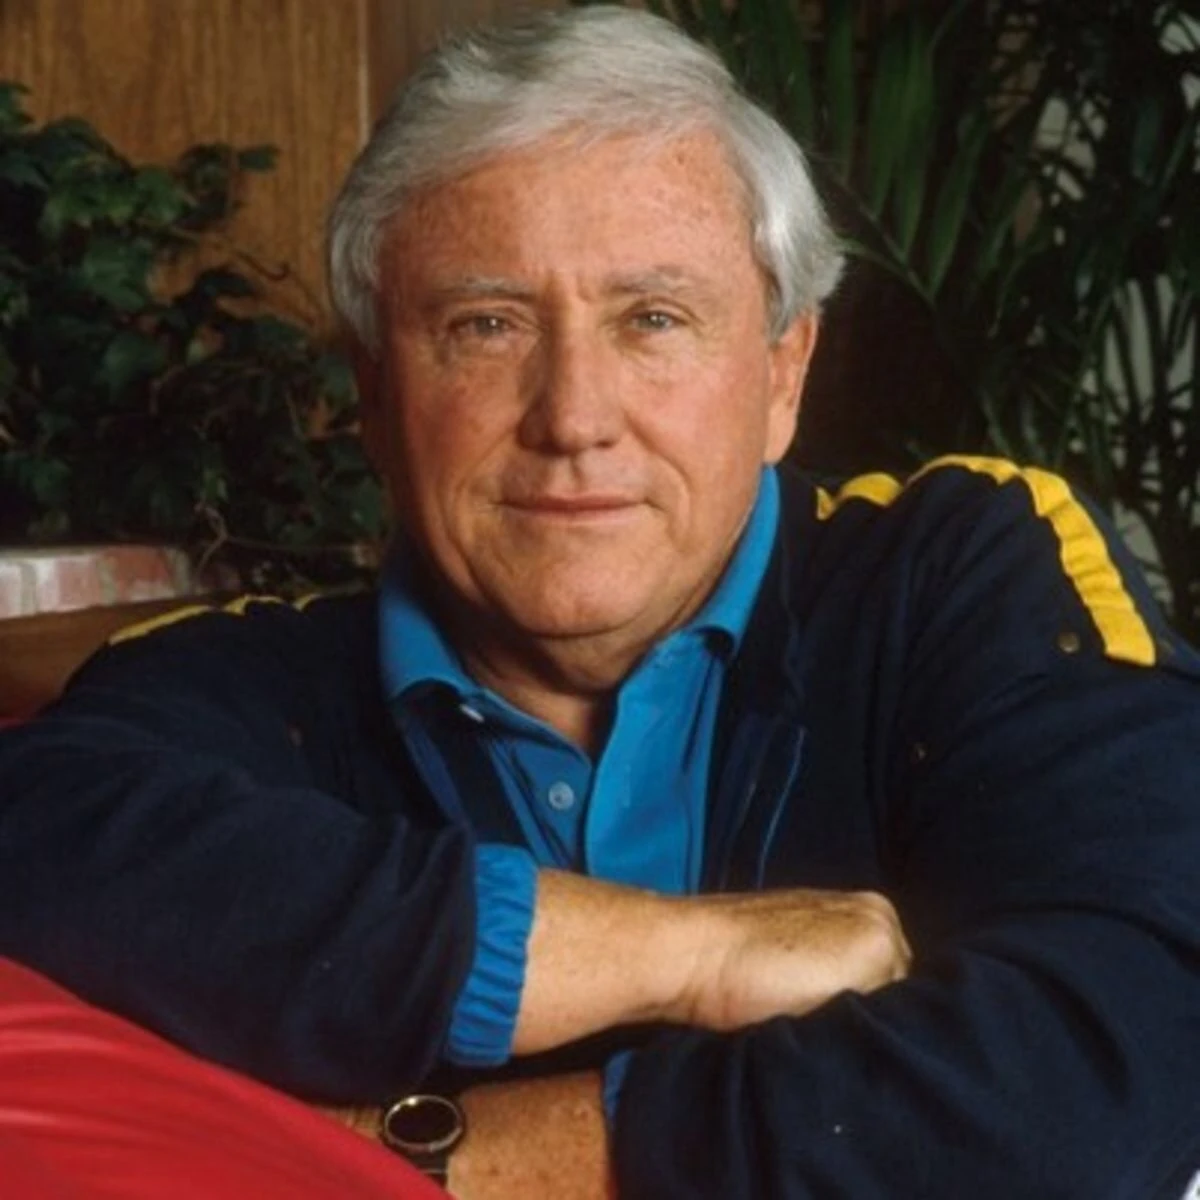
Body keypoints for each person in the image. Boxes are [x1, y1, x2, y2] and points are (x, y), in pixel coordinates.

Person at [2, 5, 1200, 1197]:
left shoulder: (964, 572)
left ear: (784, 373)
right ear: (373, 393)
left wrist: (446, 1159)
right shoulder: (244, 677)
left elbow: (1128, 1049)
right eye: (486, 325)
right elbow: (33, 839)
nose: (573, 417)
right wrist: (684, 956)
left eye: (653, 319)